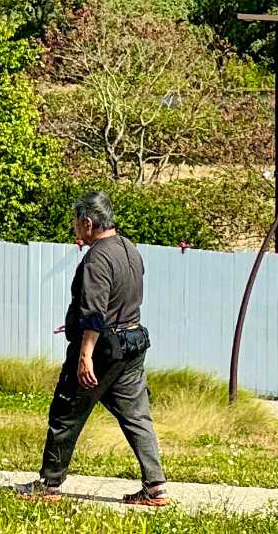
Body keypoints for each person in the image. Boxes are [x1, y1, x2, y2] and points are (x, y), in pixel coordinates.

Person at [20, 191, 169, 507]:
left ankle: (48, 484)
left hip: (101, 350)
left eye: (76, 221)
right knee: (137, 416)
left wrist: (85, 353)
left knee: (65, 412)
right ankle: (155, 487)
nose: (75, 226)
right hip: (131, 343)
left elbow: (96, 313)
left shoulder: (97, 258)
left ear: (87, 222)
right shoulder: (129, 249)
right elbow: (116, 302)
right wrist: (75, 324)